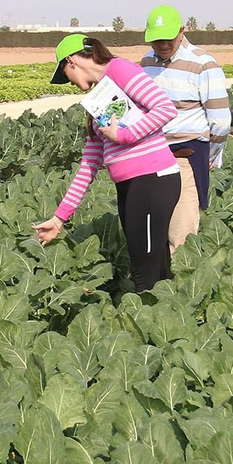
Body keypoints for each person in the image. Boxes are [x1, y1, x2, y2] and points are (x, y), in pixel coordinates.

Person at [32, 34, 181, 292]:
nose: (68, 82)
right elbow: (89, 165)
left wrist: (123, 135)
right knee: (154, 265)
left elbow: (165, 108)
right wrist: (59, 219)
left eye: (65, 73)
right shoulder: (97, 100)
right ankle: (167, 315)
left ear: (72, 61)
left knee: (143, 271)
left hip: (153, 179)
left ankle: (145, 322)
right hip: (131, 186)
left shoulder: (119, 70)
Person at [140, 4, 230, 248]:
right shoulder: (146, 62)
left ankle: (180, 283)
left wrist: (211, 156)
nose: (162, 45)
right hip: (151, 154)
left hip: (185, 155)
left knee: (181, 231)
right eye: (156, 40)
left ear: (182, 31)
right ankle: (159, 282)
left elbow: (220, 121)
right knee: (154, 227)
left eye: (168, 38)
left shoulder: (203, 63)